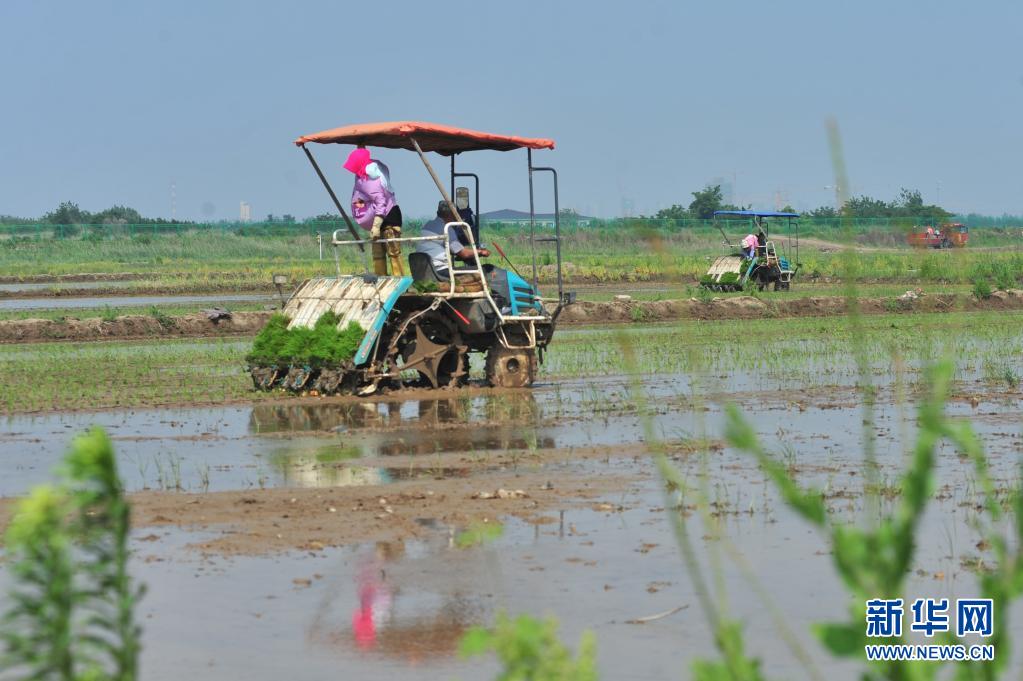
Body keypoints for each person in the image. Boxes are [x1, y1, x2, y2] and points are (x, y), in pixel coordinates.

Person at [343, 147, 404, 276]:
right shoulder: (361, 177)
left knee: (393, 251)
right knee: (377, 253)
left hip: (389, 216)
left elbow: (381, 203)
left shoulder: (373, 181)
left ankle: (399, 281)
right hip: (376, 216)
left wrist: (376, 226)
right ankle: (381, 280)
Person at [417, 201, 490, 278]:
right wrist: (481, 252)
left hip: (425, 269)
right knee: (484, 270)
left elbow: (449, 248)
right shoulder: (446, 228)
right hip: (440, 270)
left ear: (438, 213)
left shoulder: (428, 225)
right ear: (452, 214)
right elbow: (464, 254)